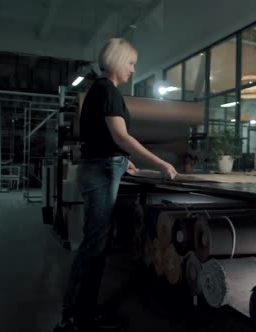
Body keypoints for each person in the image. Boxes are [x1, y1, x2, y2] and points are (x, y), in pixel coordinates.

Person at [55, 38, 177, 332]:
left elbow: (105, 140)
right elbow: (121, 137)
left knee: (96, 244)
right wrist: (159, 163)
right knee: (93, 246)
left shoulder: (98, 90)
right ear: (118, 60)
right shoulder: (108, 90)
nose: (133, 70)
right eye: (132, 63)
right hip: (101, 172)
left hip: (100, 167)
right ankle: (75, 317)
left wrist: (125, 161)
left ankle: (82, 311)